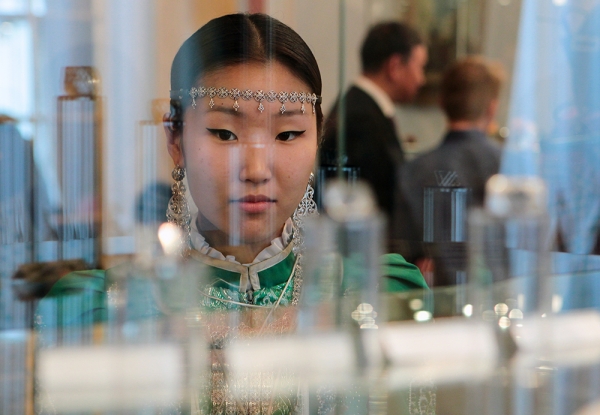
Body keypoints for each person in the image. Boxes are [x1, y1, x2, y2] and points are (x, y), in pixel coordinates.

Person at [36, 14, 427, 413]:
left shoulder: (376, 294)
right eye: (225, 133)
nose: (256, 170)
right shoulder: (102, 310)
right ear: (174, 138)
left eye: (287, 134)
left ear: (317, 138)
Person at [394, 56, 504, 280]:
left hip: (429, 293)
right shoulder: (506, 165)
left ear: (441, 102)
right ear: (492, 108)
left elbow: (405, 257)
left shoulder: (412, 171)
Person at [320, 22, 428, 233]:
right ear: (394, 67)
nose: (421, 79)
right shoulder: (361, 119)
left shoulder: (361, 108)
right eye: (420, 67)